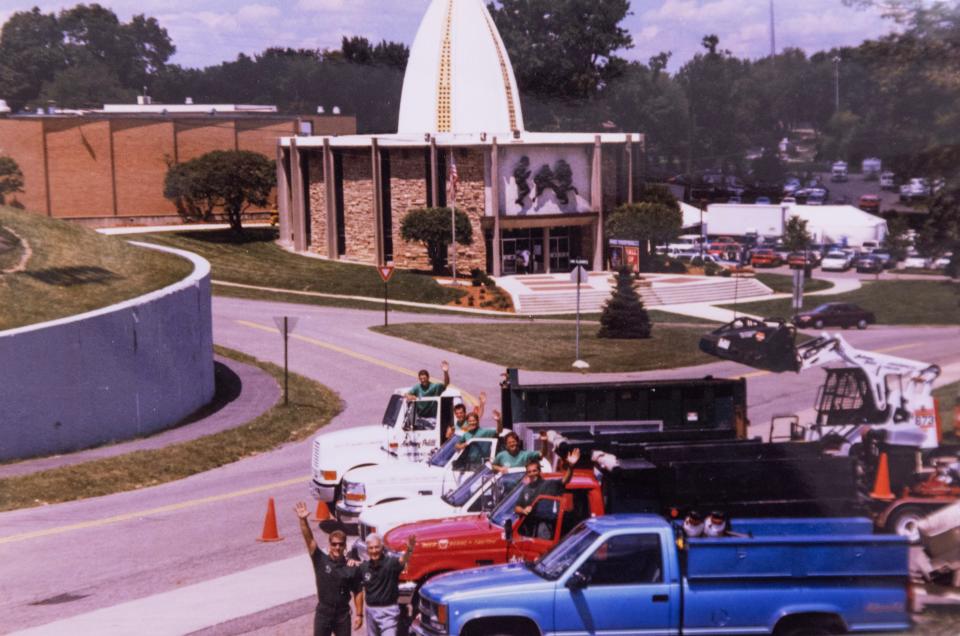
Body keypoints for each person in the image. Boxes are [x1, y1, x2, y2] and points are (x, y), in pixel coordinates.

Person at [295, 502, 363, 636]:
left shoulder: (351, 567)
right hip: (323, 613)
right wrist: (303, 520)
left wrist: (359, 614)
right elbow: (310, 541)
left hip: (342, 615)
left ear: (345, 546)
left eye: (340, 544)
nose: (337, 547)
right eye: (334, 544)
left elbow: (358, 591)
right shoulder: (320, 560)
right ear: (329, 545)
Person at [355, 532, 416, 636]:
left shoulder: (391, 563)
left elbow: (403, 560)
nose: (374, 551)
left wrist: (409, 550)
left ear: (382, 547)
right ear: (367, 550)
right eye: (371, 548)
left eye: (377, 547)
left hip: (389, 612)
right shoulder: (364, 567)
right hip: (371, 613)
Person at [515, 447, 581, 539]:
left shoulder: (549, 484)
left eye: (534, 471)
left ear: (539, 471)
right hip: (528, 529)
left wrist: (570, 466)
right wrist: (523, 510)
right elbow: (517, 507)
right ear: (527, 474)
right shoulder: (526, 489)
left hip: (544, 528)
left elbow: (565, 480)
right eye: (529, 472)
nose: (532, 473)